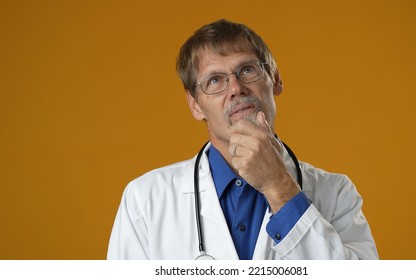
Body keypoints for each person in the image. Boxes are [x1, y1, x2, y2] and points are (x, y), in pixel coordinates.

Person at [107, 19, 378, 260]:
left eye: (247, 70)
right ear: (195, 106)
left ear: (275, 78)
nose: (236, 88)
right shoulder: (144, 200)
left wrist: (280, 187)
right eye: (214, 80)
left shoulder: (336, 193)